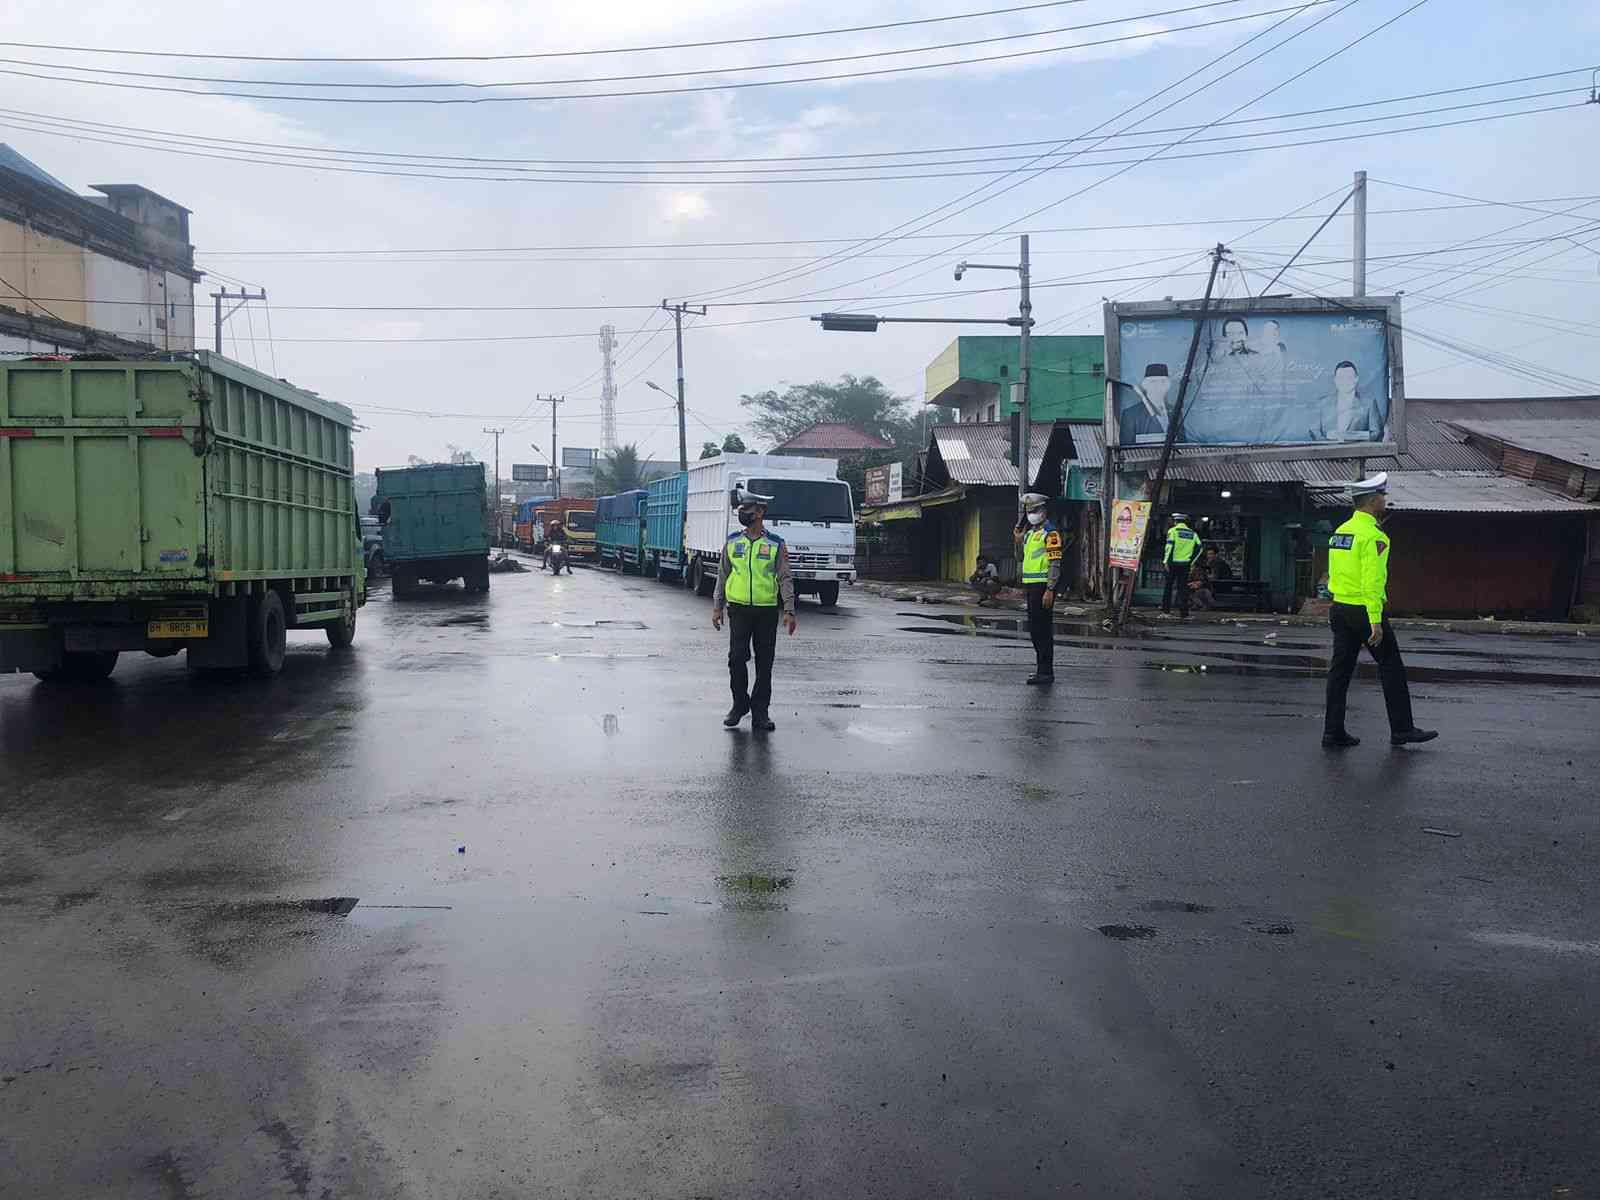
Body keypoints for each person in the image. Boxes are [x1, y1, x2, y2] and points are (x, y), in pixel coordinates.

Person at [1322, 473, 1438, 749]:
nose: (1385, 500)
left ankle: (1333, 731)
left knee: (1339, 672)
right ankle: (1402, 729)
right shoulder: (1374, 536)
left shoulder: (1341, 532)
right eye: (1383, 496)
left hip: (1340, 608)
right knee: (1391, 667)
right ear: (1373, 501)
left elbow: (1335, 573)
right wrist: (1375, 620)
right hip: (1364, 610)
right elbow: (1372, 581)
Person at [712, 491, 797, 732]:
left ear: (760, 512)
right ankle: (739, 705)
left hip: (766, 611)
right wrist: (718, 606)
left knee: (764, 663)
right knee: (736, 659)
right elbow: (722, 575)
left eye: (747, 508)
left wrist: (789, 609)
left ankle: (760, 712)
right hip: (738, 610)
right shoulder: (732, 542)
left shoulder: (775, 544)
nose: (742, 512)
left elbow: (785, 577)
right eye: (741, 508)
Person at [1013, 493, 1063, 685]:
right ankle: (1040, 670)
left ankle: (1046, 673)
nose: (1031, 514)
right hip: (1030, 586)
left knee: (1043, 630)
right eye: (1028, 511)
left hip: (1043, 586)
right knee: (1035, 630)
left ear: (1043, 511)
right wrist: (1017, 541)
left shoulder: (1051, 534)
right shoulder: (1029, 534)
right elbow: (1020, 558)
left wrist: (1050, 589)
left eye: (1035, 510)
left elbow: (1055, 562)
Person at [1309, 360, 1385, 442]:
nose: (1345, 381)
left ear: (1356, 379)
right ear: (1335, 380)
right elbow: (1314, 431)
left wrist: (1353, 439)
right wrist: (1328, 447)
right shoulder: (1322, 403)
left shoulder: (1369, 403)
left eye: (1349, 377)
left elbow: (1377, 433)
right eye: (1341, 378)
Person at [1161, 512, 1202, 617]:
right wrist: (1191, 561)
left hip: (1172, 563)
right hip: (1185, 564)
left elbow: (1169, 547)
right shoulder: (1193, 533)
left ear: (1175, 522)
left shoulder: (1173, 531)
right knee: (1183, 588)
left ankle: (1166, 612)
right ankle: (1184, 613)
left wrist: (1166, 561)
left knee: (1168, 587)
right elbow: (1199, 548)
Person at [1120, 363, 1171, 445]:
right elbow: (1126, 453)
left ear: (1167, 386)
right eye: (1153, 382)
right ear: (1145, 385)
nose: (1158, 387)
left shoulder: (1176, 412)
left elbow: (1184, 447)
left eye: (1163, 382)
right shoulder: (1130, 415)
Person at [1188, 545, 1231, 611]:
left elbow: (1214, 577)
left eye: (1211, 554)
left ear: (1216, 555)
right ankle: (1199, 604)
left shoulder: (1218, 563)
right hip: (1214, 585)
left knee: (1199, 590)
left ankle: (1201, 605)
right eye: (1208, 554)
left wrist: (1201, 581)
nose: (1209, 556)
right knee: (1194, 589)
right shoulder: (1209, 563)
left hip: (1221, 586)